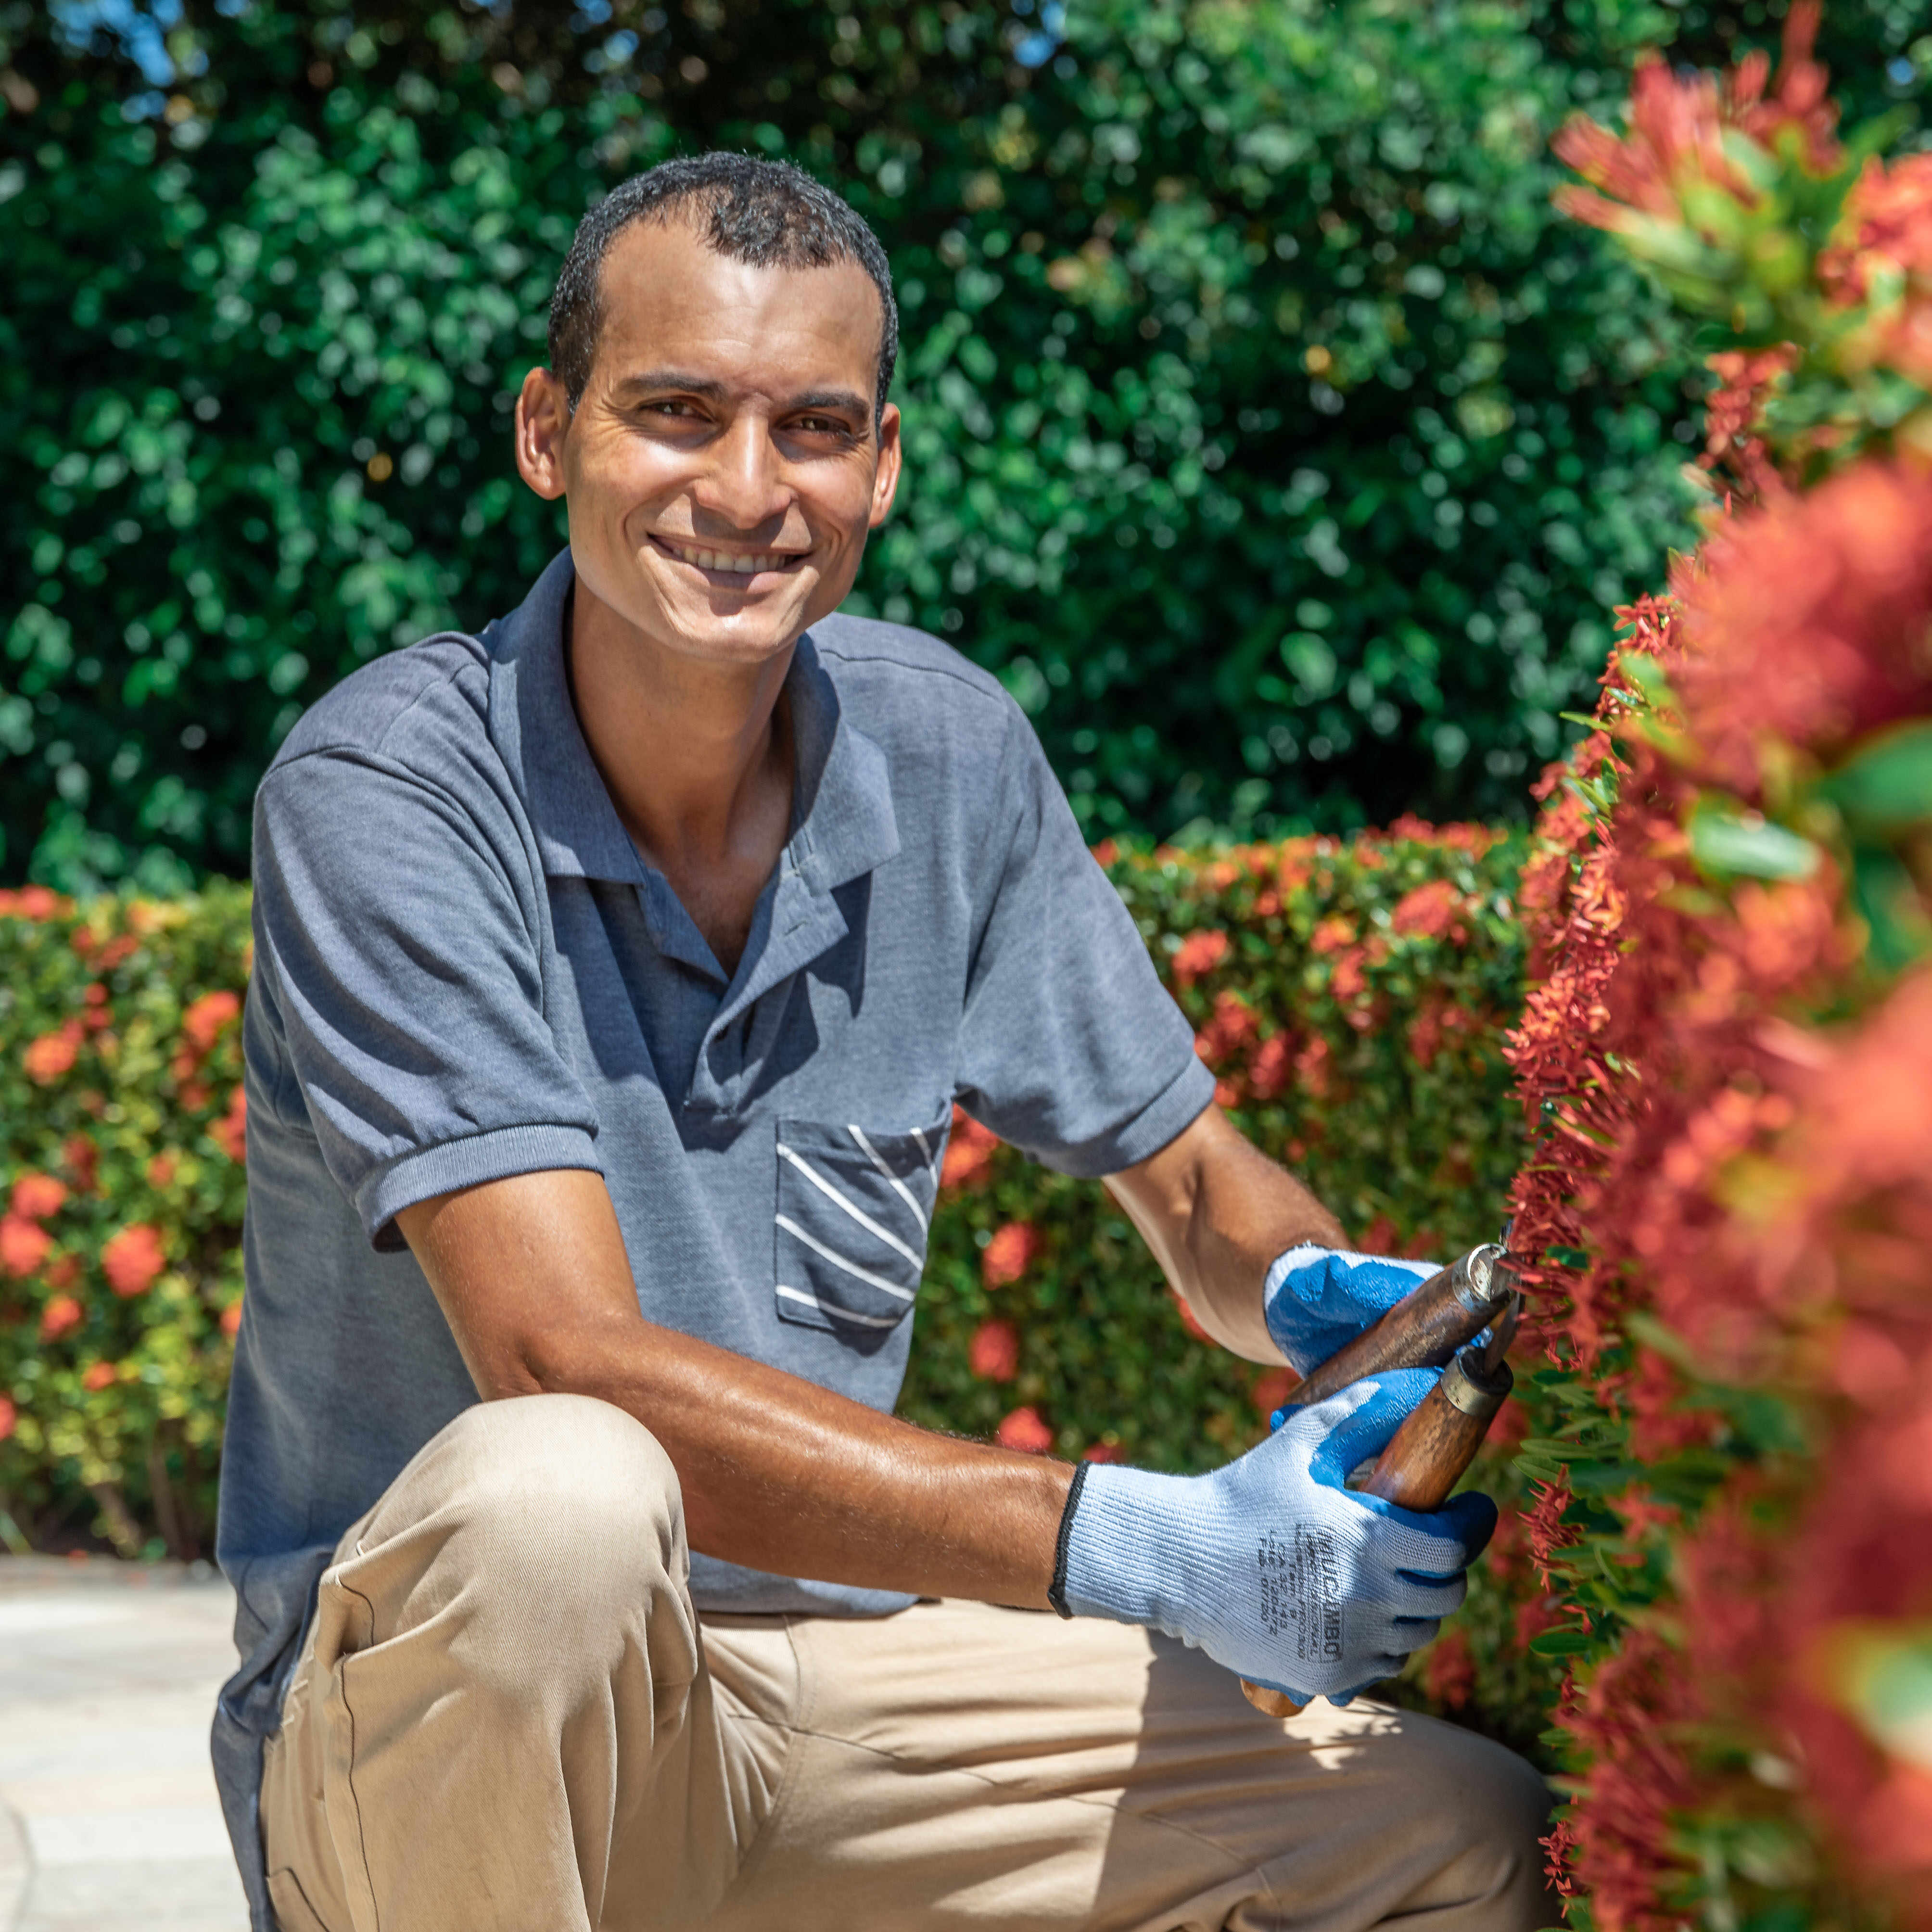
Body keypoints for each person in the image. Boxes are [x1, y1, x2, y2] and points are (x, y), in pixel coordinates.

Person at [213, 154, 1554, 1932]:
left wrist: (1342, 1298)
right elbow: (561, 1360)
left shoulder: (947, 758)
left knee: (1458, 1836)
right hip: (441, 1746)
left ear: (887, 463)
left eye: (816, 427)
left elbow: (1189, 1183)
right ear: (548, 432)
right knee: (562, 1500)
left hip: (815, 1700)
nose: (747, 490)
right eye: (676, 412)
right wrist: (1141, 1540)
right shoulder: (393, 791)